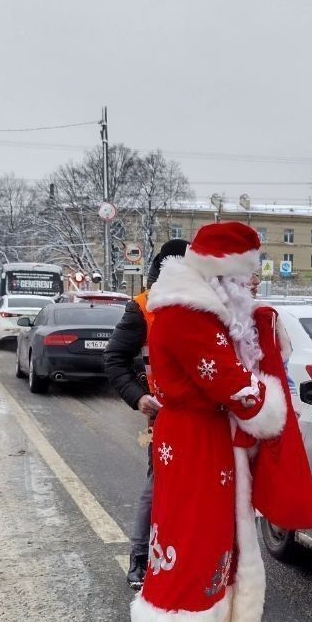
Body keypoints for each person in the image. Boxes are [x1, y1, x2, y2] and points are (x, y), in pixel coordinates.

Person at [131, 222, 312, 622]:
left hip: (215, 439)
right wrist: (271, 408)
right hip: (194, 441)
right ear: (220, 276)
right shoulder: (185, 315)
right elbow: (233, 385)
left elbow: (239, 367)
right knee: (190, 538)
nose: (252, 286)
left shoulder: (214, 312)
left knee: (226, 537)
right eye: (244, 278)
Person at [103, 239, 189, 588]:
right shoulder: (142, 307)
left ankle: (186, 553)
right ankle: (140, 559)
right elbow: (114, 359)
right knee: (157, 487)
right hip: (164, 417)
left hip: (204, 417)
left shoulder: (200, 306)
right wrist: (138, 397)